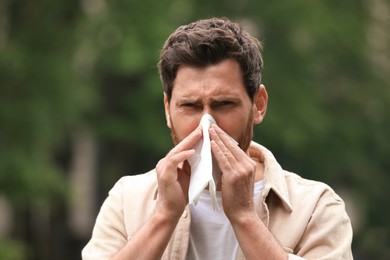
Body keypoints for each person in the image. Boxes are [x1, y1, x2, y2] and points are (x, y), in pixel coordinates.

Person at [82, 17, 353, 260]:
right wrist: (164, 216)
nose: (206, 124)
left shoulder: (316, 207)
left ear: (258, 105)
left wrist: (245, 217)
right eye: (190, 106)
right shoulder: (127, 199)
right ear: (167, 109)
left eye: (224, 104)